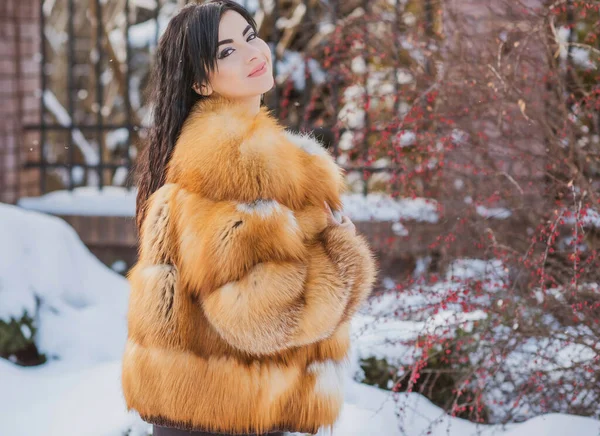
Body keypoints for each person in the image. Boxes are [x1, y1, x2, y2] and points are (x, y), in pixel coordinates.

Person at [121, 1, 377, 435]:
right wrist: (339, 254)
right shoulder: (235, 165)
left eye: (250, 35)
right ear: (201, 81)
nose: (253, 52)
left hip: (208, 408)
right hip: (230, 414)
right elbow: (261, 317)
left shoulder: (231, 159)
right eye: (226, 51)